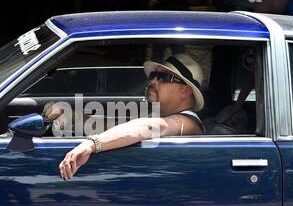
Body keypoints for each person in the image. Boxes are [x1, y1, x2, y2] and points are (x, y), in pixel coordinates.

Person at [55, 52, 205, 180]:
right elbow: (116, 126)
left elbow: (147, 127)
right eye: (154, 75)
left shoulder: (187, 122)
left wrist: (91, 144)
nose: (153, 81)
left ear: (185, 92)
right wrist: (74, 118)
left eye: (164, 77)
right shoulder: (158, 115)